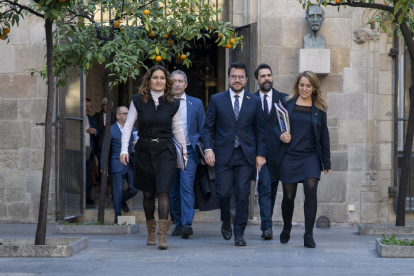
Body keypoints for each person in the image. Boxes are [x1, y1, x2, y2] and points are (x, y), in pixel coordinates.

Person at [120, 65, 187, 250]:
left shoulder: (174, 103)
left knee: (164, 191)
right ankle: (151, 229)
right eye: (155, 77)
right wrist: (124, 150)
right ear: (149, 80)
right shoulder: (138, 101)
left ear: (167, 81)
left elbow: (178, 129)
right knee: (148, 193)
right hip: (144, 149)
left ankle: (162, 235)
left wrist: (184, 154)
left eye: (162, 78)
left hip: (166, 150)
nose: (159, 81)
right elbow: (128, 126)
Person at [202, 62, 266, 246]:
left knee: (242, 194)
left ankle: (239, 233)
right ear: (228, 78)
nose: (237, 80)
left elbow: (260, 130)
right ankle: (225, 219)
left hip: (246, 156)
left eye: (240, 77)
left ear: (246, 79)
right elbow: (208, 128)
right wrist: (208, 149)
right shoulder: (216, 99)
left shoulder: (254, 101)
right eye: (233, 76)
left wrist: (260, 154)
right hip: (223, 154)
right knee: (222, 193)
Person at [274, 71, 331, 248]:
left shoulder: (319, 109)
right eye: (301, 85)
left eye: (308, 86)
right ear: (297, 85)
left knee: (311, 189)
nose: (304, 88)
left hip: (310, 156)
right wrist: (281, 135)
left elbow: (324, 137)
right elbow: (275, 126)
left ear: (314, 88)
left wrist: (326, 162)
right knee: (289, 197)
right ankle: (287, 227)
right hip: (289, 155)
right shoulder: (287, 103)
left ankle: (308, 235)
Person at [253, 64, 289, 240]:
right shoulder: (250, 99)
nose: (266, 78)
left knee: (272, 189)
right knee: (265, 187)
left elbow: (288, 124)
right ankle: (266, 227)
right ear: (256, 80)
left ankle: (267, 222)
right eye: (262, 76)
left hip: (279, 153)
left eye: (269, 75)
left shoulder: (283, 99)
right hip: (259, 153)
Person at [169, 70, 206, 239]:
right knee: (172, 190)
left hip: (188, 151)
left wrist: (205, 151)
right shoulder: (163, 102)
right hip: (168, 152)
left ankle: (186, 224)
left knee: (186, 186)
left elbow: (203, 129)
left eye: (180, 81)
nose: (177, 84)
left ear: (186, 84)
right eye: (174, 81)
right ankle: (177, 222)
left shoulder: (196, 104)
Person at [101, 106, 138, 224]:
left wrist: (136, 145)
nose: (127, 116)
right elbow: (105, 149)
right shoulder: (111, 130)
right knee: (117, 190)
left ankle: (121, 200)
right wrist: (103, 165)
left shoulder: (133, 129)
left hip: (130, 164)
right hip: (116, 163)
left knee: (135, 188)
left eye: (128, 113)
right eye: (125, 113)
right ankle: (117, 215)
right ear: (118, 116)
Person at [94, 97, 116, 171]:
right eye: (105, 105)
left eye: (109, 105)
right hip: (100, 146)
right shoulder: (96, 117)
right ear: (102, 106)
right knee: (101, 167)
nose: (107, 107)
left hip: (112, 146)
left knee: (112, 167)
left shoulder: (115, 118)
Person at [85, 98, 99, 205]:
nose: (88, 109)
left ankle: (87, 197)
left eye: (89, 107)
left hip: (88, 150)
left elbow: (98, 132)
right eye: (86, 106)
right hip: (76, 149)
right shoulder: (76, 118)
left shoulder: (92, 119)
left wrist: (95, 131)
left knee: (88, 174)